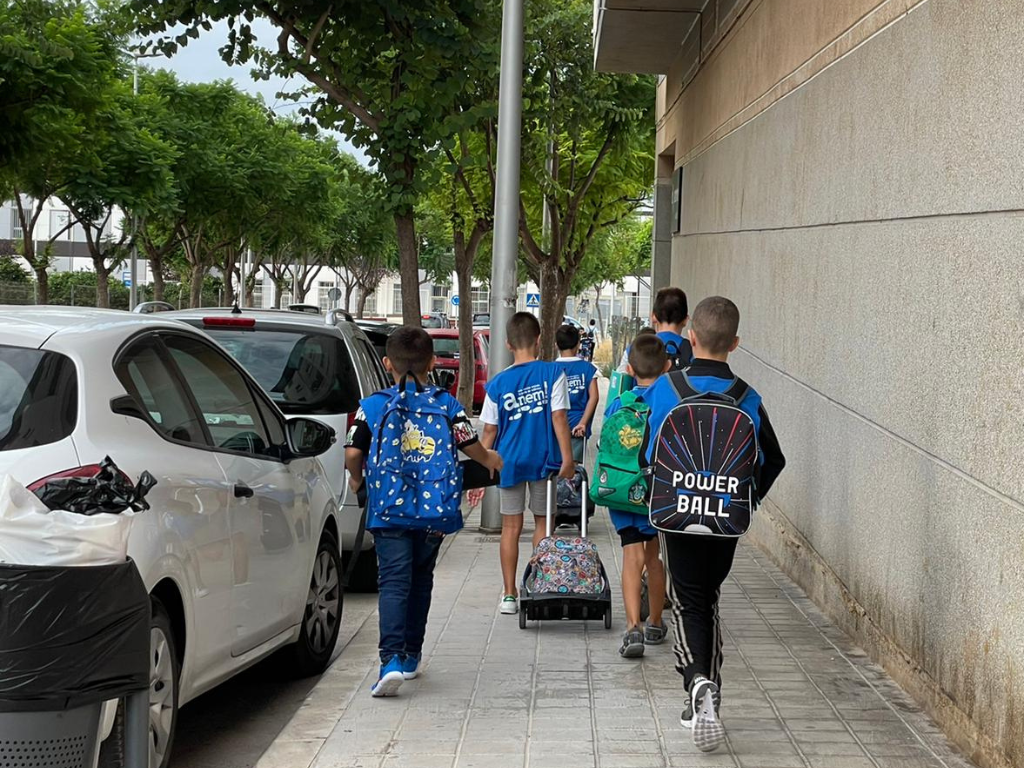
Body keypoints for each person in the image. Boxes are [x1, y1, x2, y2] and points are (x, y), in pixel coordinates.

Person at [642, 296, 786, 750]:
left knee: (686, 602)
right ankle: (704, 700)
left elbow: (648, 453)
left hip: (677, 514)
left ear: (691, 337)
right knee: (707, 598)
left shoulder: (665, 389)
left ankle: (697, 682)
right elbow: (774, 458)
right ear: (736, 343)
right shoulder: (748, 396)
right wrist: (749, 496)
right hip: (726, 518)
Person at [345, 326, 503, 697]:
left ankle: (391, 661)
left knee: (394, 581)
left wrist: (357, 482)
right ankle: (412, 655)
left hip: (389, 510)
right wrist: (491, 459)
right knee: (421, 579)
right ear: (433, 363)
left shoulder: (371, 406)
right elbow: (470, 445)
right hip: (433, 511)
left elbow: (353, 453)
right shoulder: (447, 405)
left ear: (387, 364)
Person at [480, 312, 575, 615]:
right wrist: (568, 458)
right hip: (544, 460)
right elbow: (559, 417)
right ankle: (540, 586)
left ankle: (509, 595)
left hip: (508, 461)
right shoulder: (552, 374)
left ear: (508, 343)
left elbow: (490, 431)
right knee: (543, 524)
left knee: (510, 527)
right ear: (538, 340)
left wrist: (482, 468)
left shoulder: (497, 384)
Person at [602, 333, 668, 658]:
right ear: (668, 366)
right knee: (653, 559)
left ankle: (632, 628)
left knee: (632, 556)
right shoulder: (668, 404)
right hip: (655, 494)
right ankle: (655, 621)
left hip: (623, 492)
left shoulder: (618, 403)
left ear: (629, 368)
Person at [616, 287, 694, 375]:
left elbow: (620, 384)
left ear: (653, 317)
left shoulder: (635, 348)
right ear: (686, 320)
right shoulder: (692, 350)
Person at [553, 324, 600, 462]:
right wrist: (583, 423)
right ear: (578, 344)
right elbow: (594, 397)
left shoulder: (550, 370)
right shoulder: (588, 369)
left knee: (555, 469)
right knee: (575, 471)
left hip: (554, 427)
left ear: (556, 345)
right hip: (578, 428)